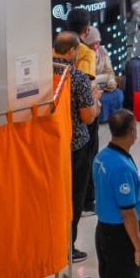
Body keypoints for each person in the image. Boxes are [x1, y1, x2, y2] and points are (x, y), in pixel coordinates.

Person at [53, 31, 99, 263]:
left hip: (48, 146)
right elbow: (88, 116)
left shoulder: (43, 73)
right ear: (72, 52)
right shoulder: (77, 77)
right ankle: (67, 246)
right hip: (75, 146)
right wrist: (96, 101)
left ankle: (49, 244)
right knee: (74, 195)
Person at [92, 110, 140, 278]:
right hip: (121, 236)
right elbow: (128, 213)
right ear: (132, 131)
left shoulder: (101, 157)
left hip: (104, 231)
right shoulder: (121, 168)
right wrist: (139, 248)